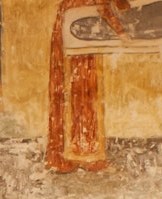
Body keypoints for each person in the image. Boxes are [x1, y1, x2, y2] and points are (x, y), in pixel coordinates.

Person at [47, 0, 131, 173]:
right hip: (79, 25)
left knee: (84, 89)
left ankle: (82, 153)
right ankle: (83, 154)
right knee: (83, 90)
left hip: (81, 23)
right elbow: (105, 6)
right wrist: (122, 32)